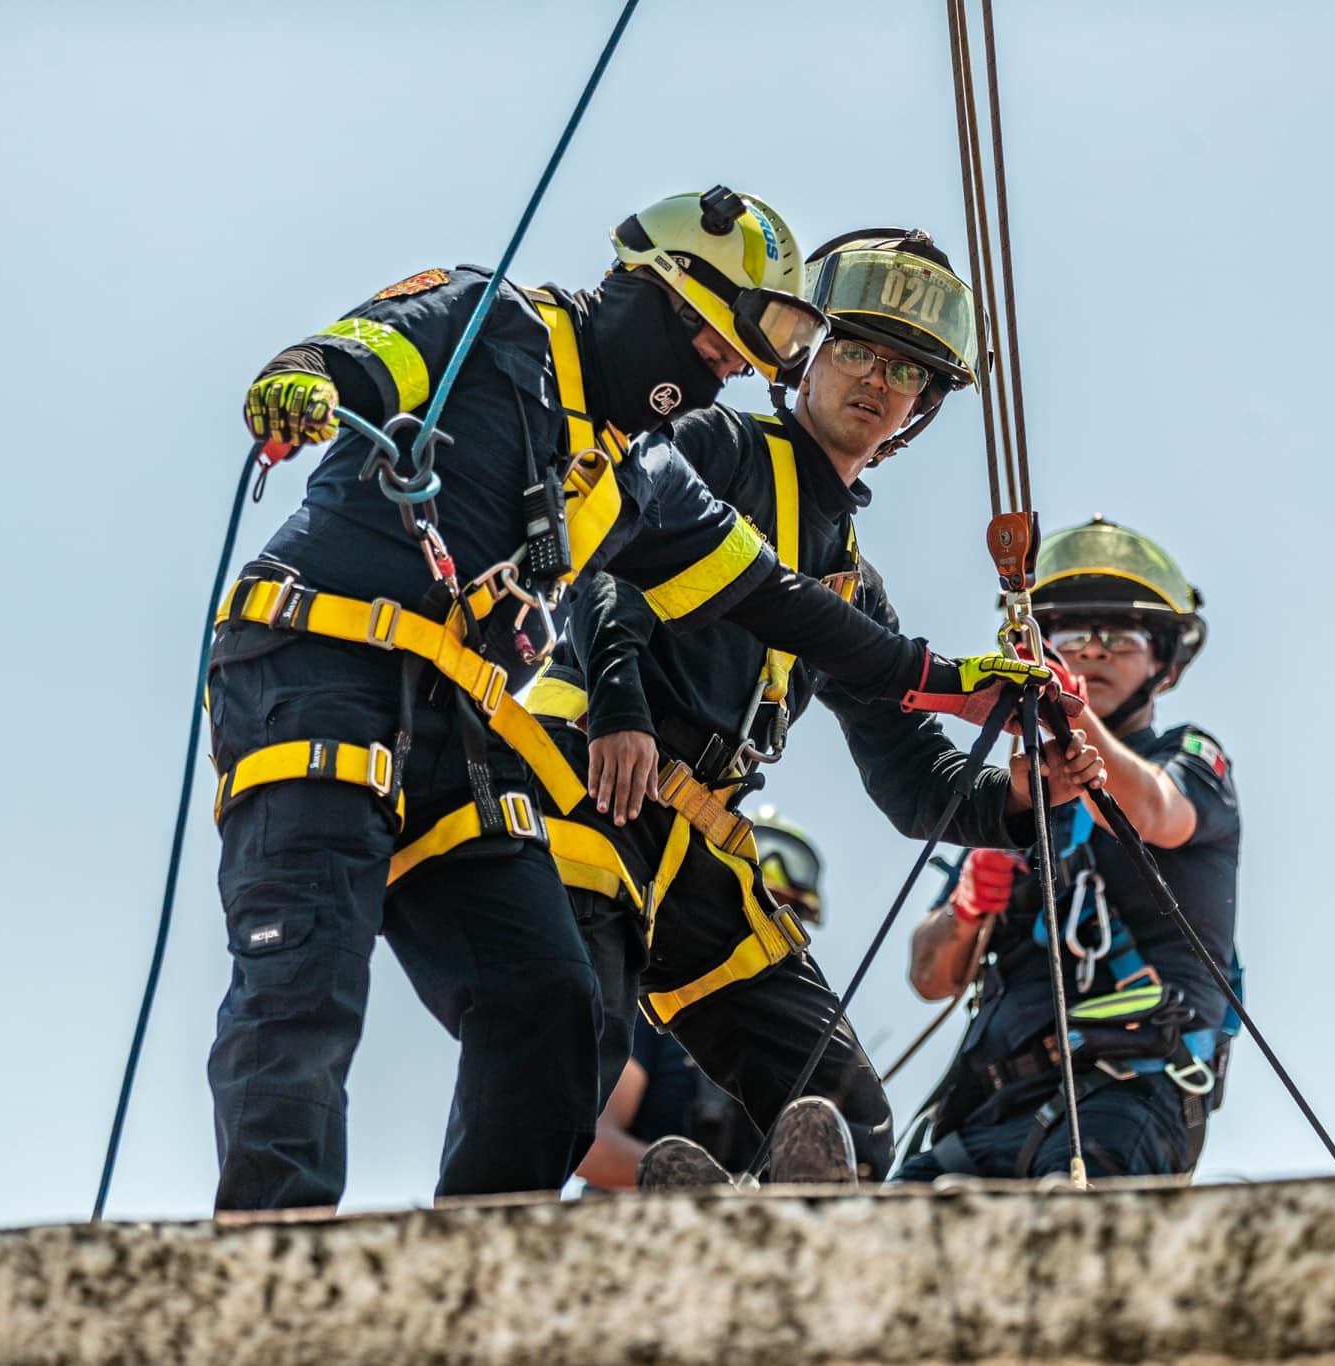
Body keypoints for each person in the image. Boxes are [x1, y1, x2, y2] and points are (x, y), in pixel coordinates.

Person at [206, 189, 1056, 1214]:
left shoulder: (645, 477)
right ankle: (275, 1261)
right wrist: (302, 378)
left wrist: (967, 701)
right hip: (359, 677)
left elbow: (783, 608)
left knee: (560, 1011)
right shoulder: (509, 327)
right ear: (647, 289)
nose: (714, 371)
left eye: (906, 373)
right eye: (706, 341)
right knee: (309, 979)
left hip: (485, 736)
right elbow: (370, 349)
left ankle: (526, 1261)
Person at [526, 229, 1104, 1187]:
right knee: (566, 1062)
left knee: (848, 1116)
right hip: (589, 784)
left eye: (906, 371)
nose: (876, 380)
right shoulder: (718, 445)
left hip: (691, 846)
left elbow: (915, 781)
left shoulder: (850, 585)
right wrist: (616, 704)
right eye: (855, 351)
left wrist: (1019, 791)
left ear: (919, 409)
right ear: (806, 354)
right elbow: (610, 556)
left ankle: (737, 1258)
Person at [894, 519, 1241, 1183]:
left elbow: (1154, 813)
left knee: (1069, 1233)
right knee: (885, 1231)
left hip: (1129, 1091)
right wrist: (966, 907)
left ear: (1162, 661)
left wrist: (1068, 715)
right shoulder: (1016, 796)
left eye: (1121, 637)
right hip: (993, 1108)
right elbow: (929, 976)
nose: (1096, 652)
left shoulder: (1189, 761)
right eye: (1075, 637)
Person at [575, 809, 823, 1189]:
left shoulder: (805, 1049)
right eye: (758, 909)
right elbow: (592, 1147)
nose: (762, 935)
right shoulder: (651, 1013)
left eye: (780, 914)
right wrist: (710, 1192)